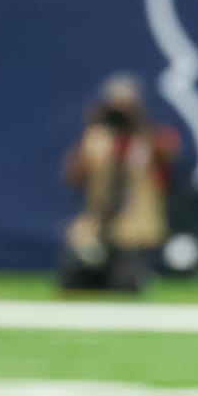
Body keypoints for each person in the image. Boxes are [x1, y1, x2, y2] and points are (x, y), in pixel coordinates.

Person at [58, 76, 178, 293]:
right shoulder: (97, 140)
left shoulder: (150, 138)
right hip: (99, 229)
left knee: (125, 282)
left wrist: (139, 125)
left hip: (137, 233)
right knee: (73, 280)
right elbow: (72, 176)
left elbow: (170, 154)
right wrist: (93, 127)